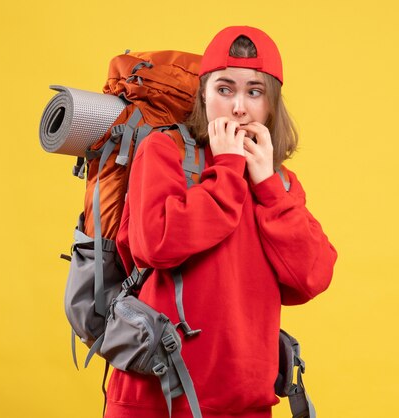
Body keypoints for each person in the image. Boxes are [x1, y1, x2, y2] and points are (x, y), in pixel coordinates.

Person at [104, 26, 337, 418]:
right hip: (155, 399)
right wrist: (227, 170)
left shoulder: (278, 183)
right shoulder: (163, 150)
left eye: (254, 91)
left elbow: (311, 277)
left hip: (244, 404)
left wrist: (266, 185)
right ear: (204, 97)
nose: (239, 107)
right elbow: (157, 244)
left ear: (271, 105)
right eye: (224, 89)